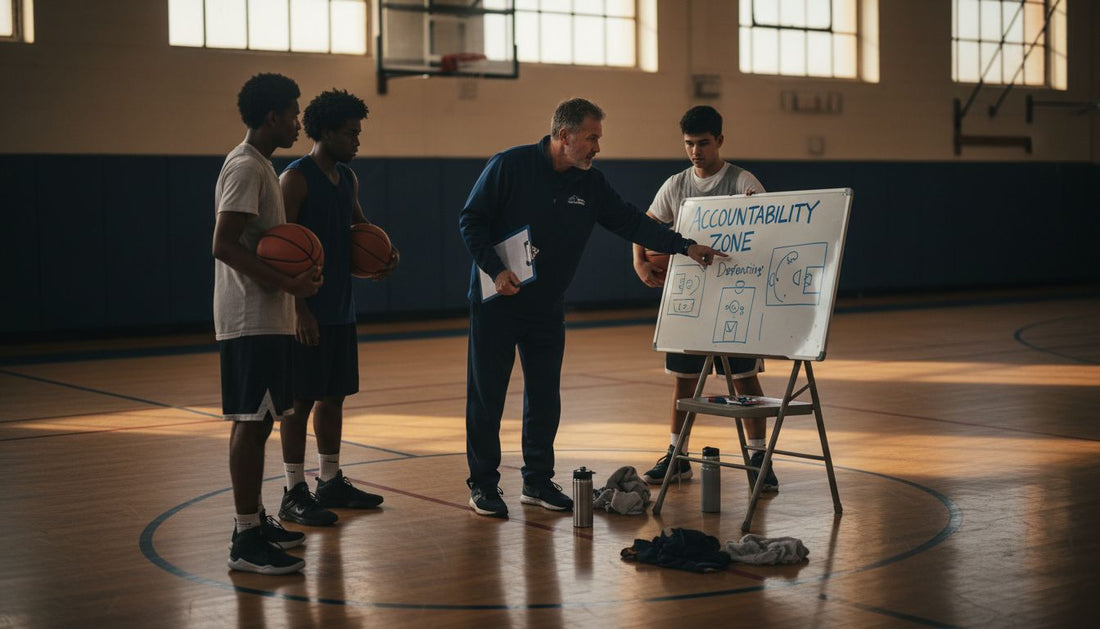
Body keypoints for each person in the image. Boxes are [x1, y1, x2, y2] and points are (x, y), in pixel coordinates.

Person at [459, 98, 726, 518]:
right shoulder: (508, 166)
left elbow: (632, 222)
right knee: (487, 395)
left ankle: (537, 481)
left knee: (545, 396)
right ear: (564, 136)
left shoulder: (591, 184)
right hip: (499, 301)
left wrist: (684, 246)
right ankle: (483, 485)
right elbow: (470, 220)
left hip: (546, 306)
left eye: (599, 138)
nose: (598, 147)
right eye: (592, 138)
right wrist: (495, 270)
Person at [632, 105, 779, 492]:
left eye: (703, 143)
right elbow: (643, 226)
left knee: (745, 380)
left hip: (735, 294)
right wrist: (640, 264)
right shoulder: (676, 184)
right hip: (692, 297)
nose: (696, 151)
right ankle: (677, 455)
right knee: (684, 382)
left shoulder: (743, 181)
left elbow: (772, 232)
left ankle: (759, 455)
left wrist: (757, 212)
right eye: (689, 144)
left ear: (720, 141)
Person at [212, 73, 323, 575]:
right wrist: (289, 282)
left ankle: (254, 519)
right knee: (250, 421)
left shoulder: (261, 166)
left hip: (268, 316)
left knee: (262, 420)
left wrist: (293, 281)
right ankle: (245, 539)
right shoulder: (244, 167)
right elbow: (224, 244)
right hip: (248, 317)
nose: (299, 122)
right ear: (273, 116)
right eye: (294, 113)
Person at [276, 89, 398, 526]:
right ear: (325, 131)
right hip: (306, 311)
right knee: (298, 401)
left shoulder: (347, 178)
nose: (357, 141)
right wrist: (298, 311)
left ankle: (330, 480)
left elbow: (358, 229)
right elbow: (279, 250)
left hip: (341, 308)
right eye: (350, 133)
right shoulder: (295, 179)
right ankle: (293, 491)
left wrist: (382, 254)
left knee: (334, 396)